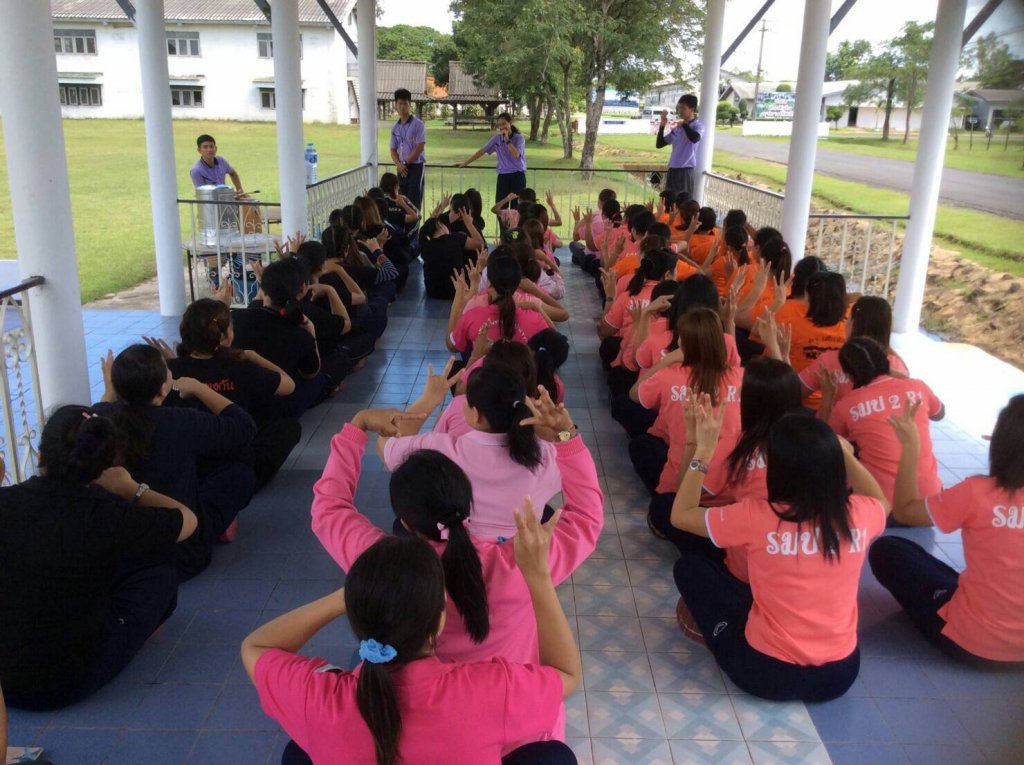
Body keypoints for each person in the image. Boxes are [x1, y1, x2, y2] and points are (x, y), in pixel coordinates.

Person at [309, 389, 601, 673]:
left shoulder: (380, 565)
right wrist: (566, 435)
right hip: (506, 693)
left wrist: (357, 426)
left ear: (405, 522)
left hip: (414, 696)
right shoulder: (524, 564)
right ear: (466, 501)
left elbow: (329, 508)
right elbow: (587, 515)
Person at [244, 527, 581, 765]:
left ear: (355, 616)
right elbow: (566, 674)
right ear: (439, 620)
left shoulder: (317, 699)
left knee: (297, 752)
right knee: (554, 756)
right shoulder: (488, 691)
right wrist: (538, 577)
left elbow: (255, 646)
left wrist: (340, 600)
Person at [671, 407, 889, 701]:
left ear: (776, 470)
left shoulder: (757, 516)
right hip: (840, 675)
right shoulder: (858, 514)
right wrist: (847, 457)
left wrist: (703, 452)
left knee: (691, 569)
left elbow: (680, 515)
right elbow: (881, 501)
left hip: (767, 673)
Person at [0, 406, 197, 710]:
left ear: (39, 456)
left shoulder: (8, 502)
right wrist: (132, 488)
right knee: (159, 572)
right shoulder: (107, 516)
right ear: (103, 469)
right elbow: (188, 520)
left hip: (4, 684)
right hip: (67, 682)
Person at [869, 394, 1024, 668]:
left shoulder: (978, 492)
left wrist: (911, 447)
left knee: (888, 549)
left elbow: (904, 510)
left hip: (972, 643)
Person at [94, 345, 257, 578]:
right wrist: (200, 389)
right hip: (182, 552)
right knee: (240, 474)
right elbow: (245, 428)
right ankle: (217, 526)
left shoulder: (100, 420)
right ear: (163, 389)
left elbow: (99, 411)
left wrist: (110, 391)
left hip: (121, 555)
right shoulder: (179, 421)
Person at [381, 364, 564, 542]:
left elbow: (386, 444)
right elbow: (575, 469)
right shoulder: (546, 456)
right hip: (520, 554)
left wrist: (429, 399)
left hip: (451, 551)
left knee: (403, 523)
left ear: (475, 414)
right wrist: (564, 430)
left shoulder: (439, 449)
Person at [147, 298, 301, 493]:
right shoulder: (240, 367)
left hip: (187, 470)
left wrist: (171, 363)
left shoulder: (170, 371)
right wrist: (254, 357)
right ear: (224, 337)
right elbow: (289, 385)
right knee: (289, 426)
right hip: (234, 466)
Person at [630, 308, 744, 546]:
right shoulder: (740, 377)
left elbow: (634, 393)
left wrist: (666, 361)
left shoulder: (670, 376)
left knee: (641, 446)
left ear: (683, 343)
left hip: (681, 483)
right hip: (731, 491)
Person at [827, 337, 944, 507]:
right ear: (886, 361)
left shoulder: (847, 404)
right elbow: (939, 414)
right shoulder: (918, 386)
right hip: (928, 503)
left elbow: (829, 443)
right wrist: (901, 378)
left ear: (848, 374)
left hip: (880, 504)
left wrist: (828, 397)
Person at [448, 257, 552, 356]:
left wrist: (457, 302)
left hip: (484, 369)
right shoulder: (535, 318)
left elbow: (452, 346)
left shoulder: (472, 316)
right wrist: (538, 309)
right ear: (517, 285)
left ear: (489, 284)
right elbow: (557, 346)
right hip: (520, 369)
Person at [458, 113, 527, 203]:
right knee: (500, 205)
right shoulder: (496, 139)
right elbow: (482, 151)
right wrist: (465, 163)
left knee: (517, 206)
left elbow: (516, 155)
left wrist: (507, 139)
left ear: (510, 123)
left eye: (504, 124)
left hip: (517, 176)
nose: (502, 127)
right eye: (499, 125)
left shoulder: (519, 138)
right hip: (503, 176)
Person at [419, 213, 485, 300]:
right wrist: (469, 223)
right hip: (457, 290)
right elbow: (480, 244)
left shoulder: (425, 245)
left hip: (433, 291)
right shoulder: (455, 238)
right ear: (440, 225)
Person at [655, 95, 704, 199]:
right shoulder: (677, 128)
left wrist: (685, 125)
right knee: (669, 202)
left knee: (683, 203)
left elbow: (695, 138)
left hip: (685, 170)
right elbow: (659, 144)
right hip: (672, 169)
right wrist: (662, 125)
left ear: (692, 109)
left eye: (683, 108)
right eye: (679, 107)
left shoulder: (697, 125)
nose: (680, 111)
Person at [389, 88, 426, 211]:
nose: (403, 107)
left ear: (410, 105)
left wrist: (405, 163)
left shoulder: (418, 124)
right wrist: (399, 164)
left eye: (405, 103)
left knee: (414, 202)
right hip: (401, 169)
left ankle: (415, 224)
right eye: (400, 103)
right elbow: (393, 149)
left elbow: (420, 147)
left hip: (416, 167)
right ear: (395, 104)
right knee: (401, 200)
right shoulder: (395, 128)